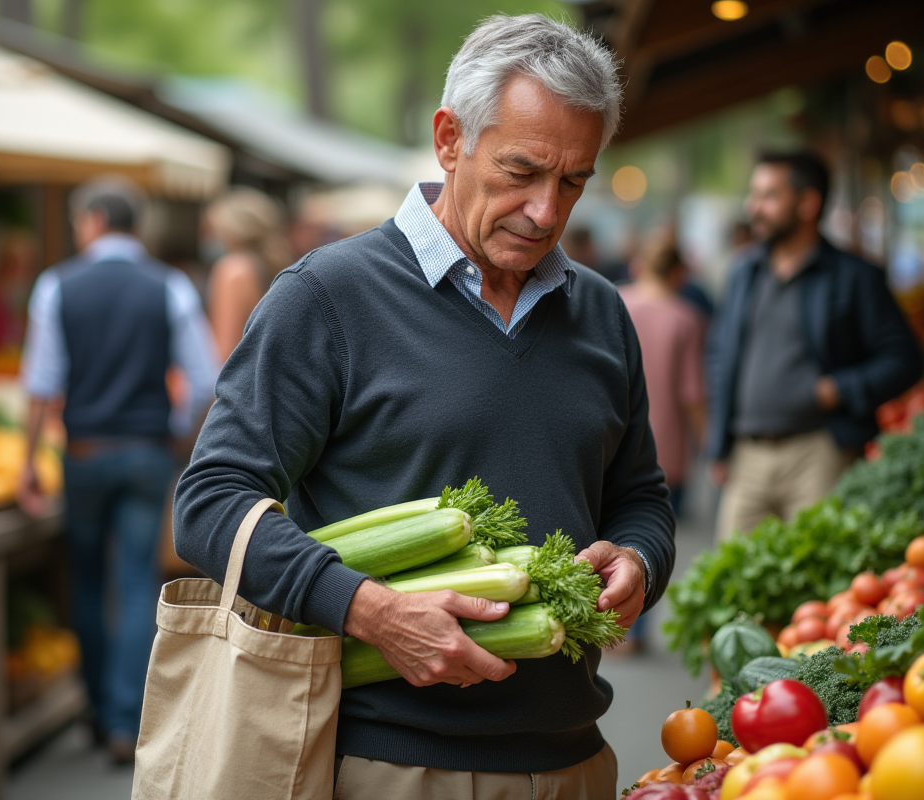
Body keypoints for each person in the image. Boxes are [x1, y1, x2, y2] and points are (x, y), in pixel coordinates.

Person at [174, 15, 674, 799]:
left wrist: (643, 560)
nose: (546, 211)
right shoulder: (327, 298)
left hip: (578, 760)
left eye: (573, 180)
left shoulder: (603, 313)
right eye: (522, 170)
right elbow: (208, 504)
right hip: (392, 765)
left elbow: (641, 495)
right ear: (449, 139)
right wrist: (371, 611)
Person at [17, 176, 218, 764]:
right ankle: (124, 720)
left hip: (82, 455)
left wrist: (28, 461)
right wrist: (176, 428)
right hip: (148, 451)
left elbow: (40, 382)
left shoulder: (57, 285)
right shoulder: (171, 286)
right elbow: (205, 377)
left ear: (95, 221)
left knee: (83, 581)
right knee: (134, 583)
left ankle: (96, 706)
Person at [707, 151, 924, 540]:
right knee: (735, 587)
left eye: (769, 196)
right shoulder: (743, 272)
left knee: (821, 592)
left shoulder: (855, 277)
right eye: (753, 194)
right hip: (747, 457)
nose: (753, 207)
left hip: (820, 453)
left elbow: (905, 359)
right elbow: (721, 358)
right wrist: (718, 446)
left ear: (808, 203)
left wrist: (840, 388)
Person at [619, 232, 707, 516]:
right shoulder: (686, 318)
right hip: (664, 451)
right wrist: (708, 440)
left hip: (613, 442)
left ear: (638, 265)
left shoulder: (613, 301)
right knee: (658, 534)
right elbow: (691, 391)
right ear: (679, 272)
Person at [201, 187, 293, 361]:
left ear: (232, 230)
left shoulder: (233, 269)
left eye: (211, 230)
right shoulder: (264, 266)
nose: (208, 238)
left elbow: (223, 351)